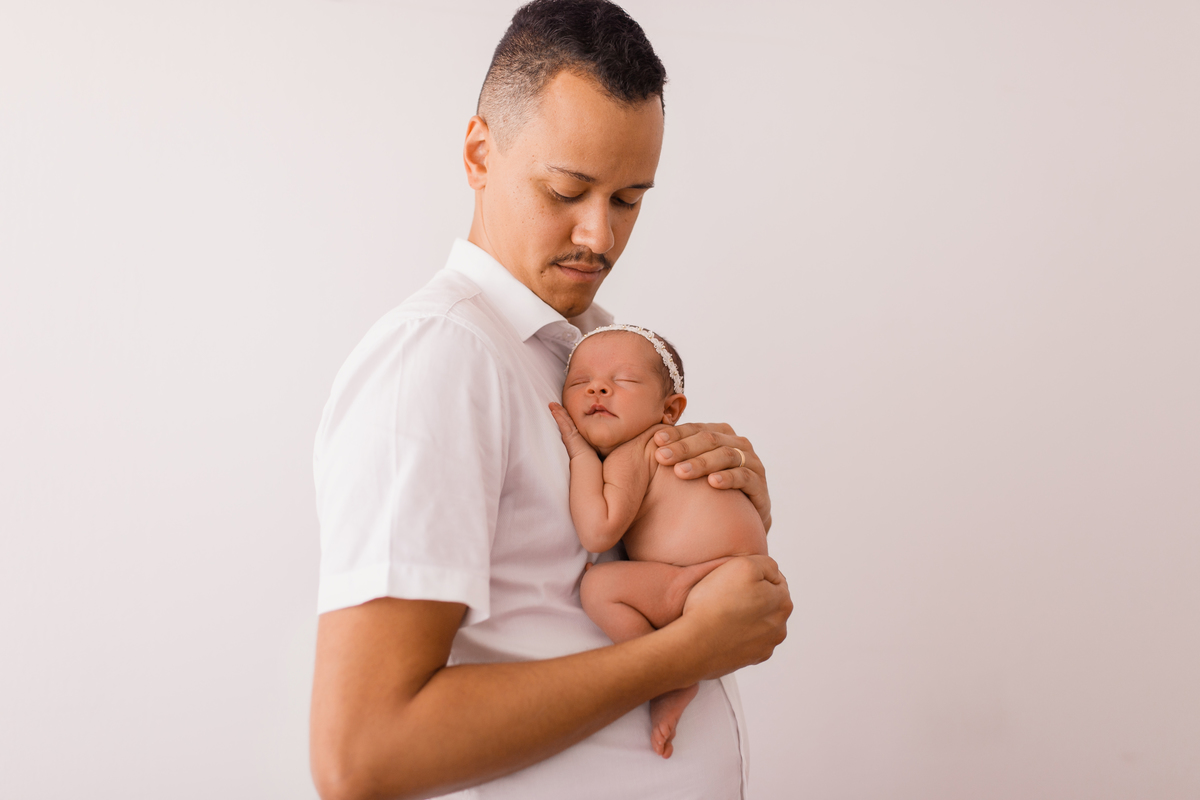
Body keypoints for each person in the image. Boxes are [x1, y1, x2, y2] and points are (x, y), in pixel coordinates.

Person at [309, 2, 792, 799]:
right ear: (479, 154)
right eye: (568, 190)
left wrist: (721, 525)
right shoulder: (439, 361)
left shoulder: (590, 351)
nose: (600, 237)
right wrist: (686, 653)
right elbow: (364, 752)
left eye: (630, 199)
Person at [548, 325, 769, 761]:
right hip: (740, 582)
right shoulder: (670, 446)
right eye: (579, 383)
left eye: (624, 381)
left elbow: (598, 530)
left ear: (670, 409)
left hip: (696, 583)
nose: (597, 387)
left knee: (598, 587)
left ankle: (667, 670)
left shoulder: (640, 451)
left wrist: (578, 454)